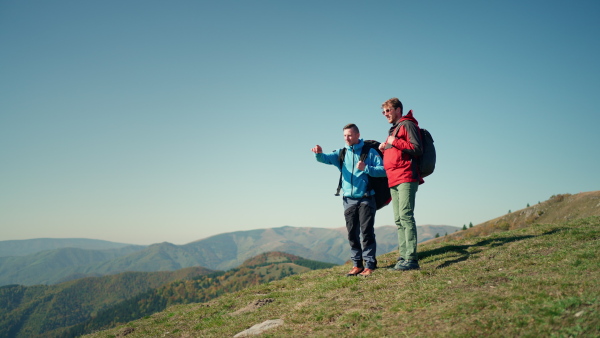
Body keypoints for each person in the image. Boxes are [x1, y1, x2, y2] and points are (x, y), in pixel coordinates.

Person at [312, 124, 386, 277]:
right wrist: (318, 154)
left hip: (366, 198)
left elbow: (384, 170)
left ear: (358, 135)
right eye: (345, 135)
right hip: (348, 200)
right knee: (352, 234)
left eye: (350, 135)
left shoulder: (369, 151)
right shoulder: (342, 153)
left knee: (366, 233)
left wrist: (366, 168)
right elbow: (325, 158)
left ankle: (370, 265)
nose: (347, 138)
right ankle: (357, 265)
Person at [379, 98, 424, 271]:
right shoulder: (395, 129)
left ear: (398, 110)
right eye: (384, 112)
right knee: (398, 219)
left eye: (388, 111)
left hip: (406, 176)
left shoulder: (407, 125)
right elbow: (398, 151)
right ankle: (403, 257)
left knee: (406, 216)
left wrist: (393, 142)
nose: (386, 115)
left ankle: (411, 259)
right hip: (394, 178)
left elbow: (416, 148)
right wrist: (386, 148)